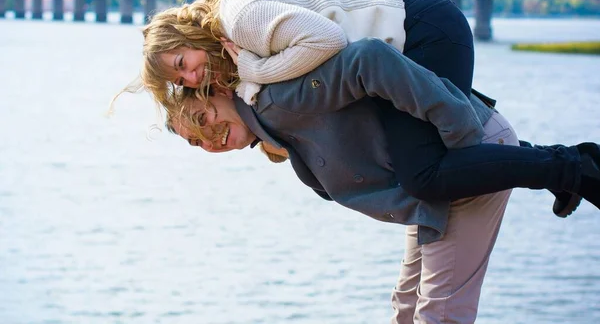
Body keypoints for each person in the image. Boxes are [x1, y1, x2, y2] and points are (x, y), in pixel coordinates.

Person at [162, 40, 599, 322]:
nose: (207, 139)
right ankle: (563, 164)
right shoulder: (279, 133)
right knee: (406, 310)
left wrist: (464, 131)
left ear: (217, 90)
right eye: (195, 143)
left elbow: (369, 61)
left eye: (200, 119)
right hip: (436, 187)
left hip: (466, 151)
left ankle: (570, 166)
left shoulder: (277, 98)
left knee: (440, 313)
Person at [128, 0, 599, 216]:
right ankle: (566, 167)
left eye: (181, 64)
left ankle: (572, 165)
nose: (191, 78)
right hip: (396, 54)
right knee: (426, 164)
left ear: (187, 35)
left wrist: (252, 69)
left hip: (420, 30)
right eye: (181, 81)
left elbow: (327, 42)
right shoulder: (234, 43)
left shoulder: (240, 19)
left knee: (425, 175)